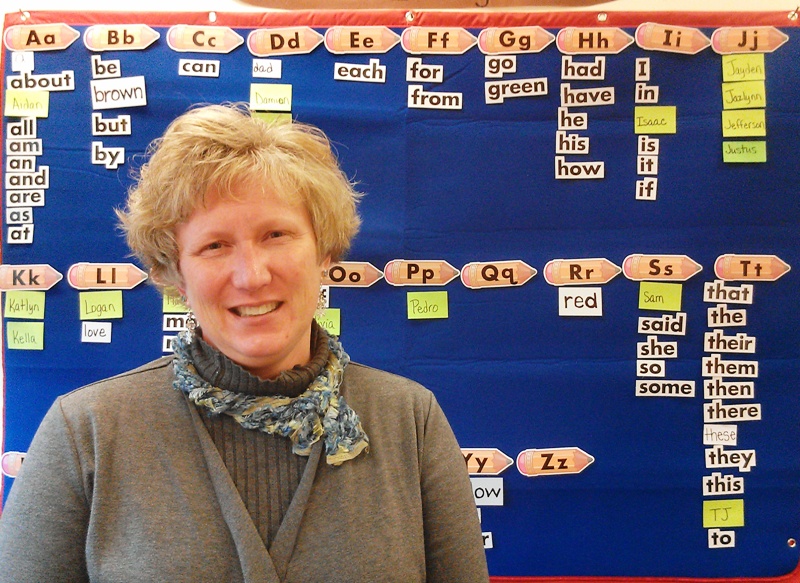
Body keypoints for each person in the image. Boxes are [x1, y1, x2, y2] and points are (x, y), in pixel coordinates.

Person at [0, 103, 489, 582]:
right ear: (175, 274)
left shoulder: (410, 420)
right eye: (214, 246)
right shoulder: (86, 432)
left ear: (324, 252)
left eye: (276, 234)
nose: (252, 275)